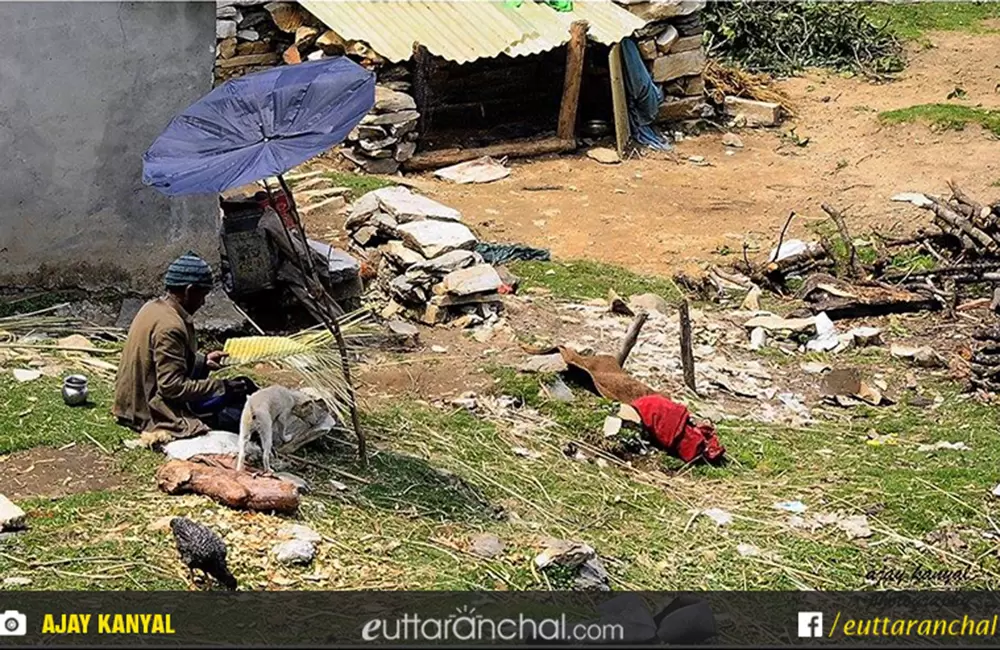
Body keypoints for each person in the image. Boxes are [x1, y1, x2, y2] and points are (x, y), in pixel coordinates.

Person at [113, 251, 256, 438]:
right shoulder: (170, 326)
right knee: (244, 415)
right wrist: (220, 386)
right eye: (202, 295)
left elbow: (164, 359)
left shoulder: (153, 307)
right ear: (189, 291)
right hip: (146, 409)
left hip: (129, 402)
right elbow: (171, 387)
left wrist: (203, 361)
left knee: (243, 385)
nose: (203, 302)